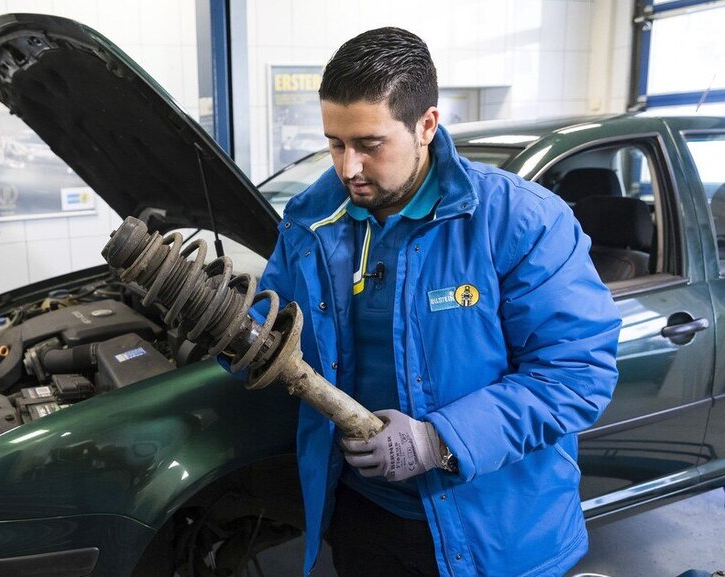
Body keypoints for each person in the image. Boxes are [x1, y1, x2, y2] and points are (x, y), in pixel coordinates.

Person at [255, 28, 622, 576]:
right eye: (335, 143)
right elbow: (278, 327)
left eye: (369, 145)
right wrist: (230, 330)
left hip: (497, 534)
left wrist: (439, 440)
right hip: (363, 517)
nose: (347, 167)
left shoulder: (519, 221)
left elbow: (576, 374)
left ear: (426, 125)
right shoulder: (313, 220)